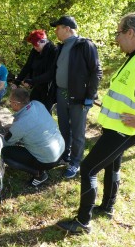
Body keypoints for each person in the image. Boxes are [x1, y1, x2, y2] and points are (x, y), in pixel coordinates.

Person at [56, 12, 135, 234]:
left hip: (124, 131)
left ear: (130, 32)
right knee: (113, 164)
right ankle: (107, 207)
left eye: (118, 33)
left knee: (87, 169)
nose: (116, 38)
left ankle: (83, 222)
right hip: (118, 128)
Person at [50, 16, 103, 178]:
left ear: (67, 28)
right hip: (61, 93)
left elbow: (96, 71)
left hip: (78, 97)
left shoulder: (85, 45)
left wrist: (90, 96)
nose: (55, 31)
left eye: (57, 28)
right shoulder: (61, 47)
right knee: (64, 128)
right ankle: (64, 156)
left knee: (78, 132)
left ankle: (75, 162)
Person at [1, 88, 65, 187]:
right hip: (60, 150)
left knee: (4, 152)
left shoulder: (20, 125)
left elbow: (5, 142)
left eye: (11, 101)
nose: (10, 103)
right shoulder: (37, 104)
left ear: (16, 103)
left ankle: (39, 174)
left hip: (48, 161)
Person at [12, 29, 58, 113]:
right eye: (33, 46)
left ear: (43, 41)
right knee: (32, 107)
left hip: (49, 87)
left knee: (45, 111)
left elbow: (50, 74)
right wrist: (17, 81)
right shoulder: (35, 51)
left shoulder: (53, 51)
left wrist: (32, 81)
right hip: (37, 85)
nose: (35, 47)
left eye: (36, 45)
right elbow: (27, 66)